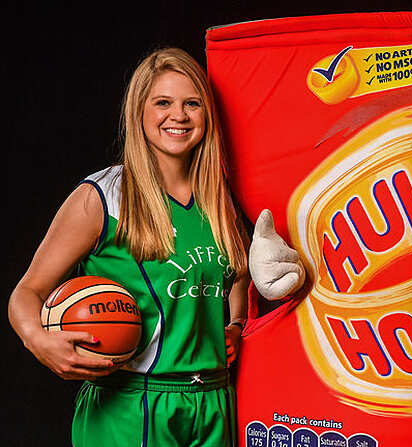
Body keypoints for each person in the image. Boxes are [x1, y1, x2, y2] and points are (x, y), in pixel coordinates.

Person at [8, 48, 251, 446]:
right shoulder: (102, 197)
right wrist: (39, 341)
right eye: (163, 103)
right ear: (139, 112)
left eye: (192, 103)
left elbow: (239, 272)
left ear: (207, 114)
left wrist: (236, 325)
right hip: (130, 403)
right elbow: (27, 291)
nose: (179, 116)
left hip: (213, 401)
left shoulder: (219, 197)